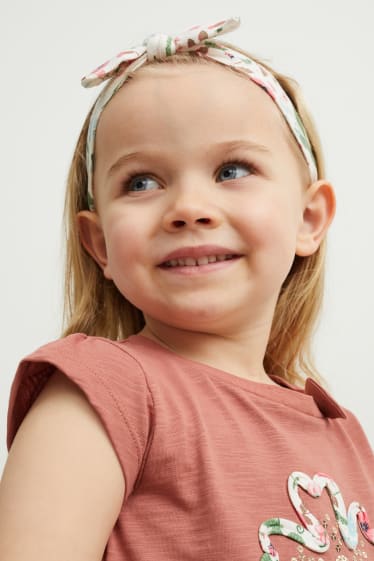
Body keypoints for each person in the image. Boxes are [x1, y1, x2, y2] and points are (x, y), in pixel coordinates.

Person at [0, 16, 372, 561]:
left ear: (309, 218)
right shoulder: (109, 392)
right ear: (99, 243)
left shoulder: (343, 434)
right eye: (142, 182)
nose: (189, 210)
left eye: (231, 170)